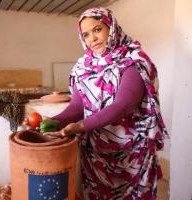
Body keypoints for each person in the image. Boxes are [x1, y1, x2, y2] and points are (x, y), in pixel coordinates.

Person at [45, 7, 168, 199]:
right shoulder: (83, 68)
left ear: (111, 27)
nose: (92, 39)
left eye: (97, 29)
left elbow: (122, 106)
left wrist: (79, 127)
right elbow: (77, 107)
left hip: (131, 155)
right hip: (96, 154)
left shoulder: (134, 61)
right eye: (85, 34)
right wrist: (50, 123)